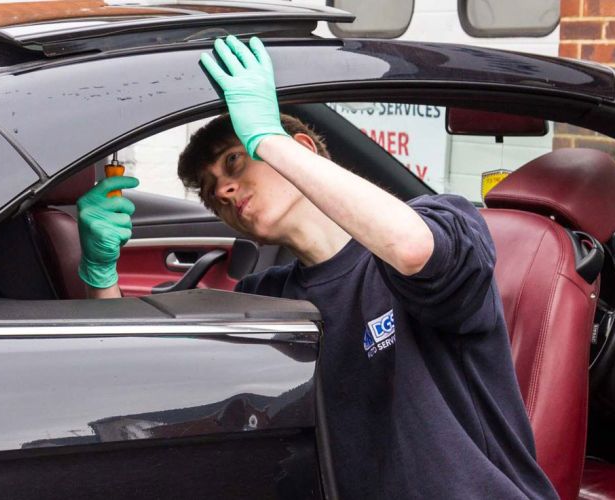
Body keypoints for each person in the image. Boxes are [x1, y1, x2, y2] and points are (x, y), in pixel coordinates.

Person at [76, 35, 558, 499]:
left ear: (299, 151)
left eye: (235, 161)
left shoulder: (445, 222)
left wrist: (266, 137)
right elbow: (145, 380)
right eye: (209, 189)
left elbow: (411, 250)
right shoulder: (268, 299)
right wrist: (102, 275)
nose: (222, 190)